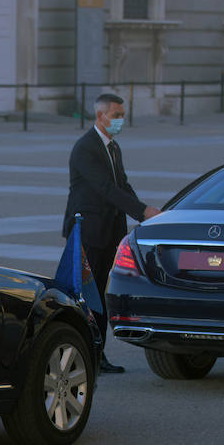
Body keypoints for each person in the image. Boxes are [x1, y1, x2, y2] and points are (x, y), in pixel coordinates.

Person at [62, 93, 159, 373]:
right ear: (100, 116)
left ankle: (97, 353)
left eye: (122, 115)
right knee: (84, 294)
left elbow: (122, 184)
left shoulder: (113, 147)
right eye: (115, 115)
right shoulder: (86, 148)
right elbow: (105, 188)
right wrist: (141, 211)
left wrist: (144, 213)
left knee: (101, 293)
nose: (120, 120)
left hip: (110, 231)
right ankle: (80, 355)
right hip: (88, 232)